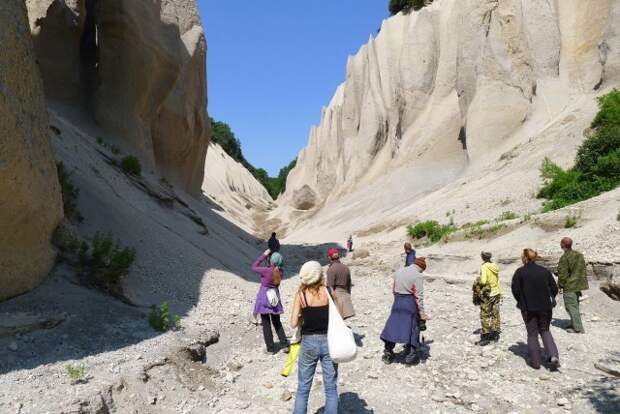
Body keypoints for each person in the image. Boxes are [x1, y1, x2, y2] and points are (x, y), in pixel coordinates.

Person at [290, 261, 338, 414]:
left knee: (303, 387)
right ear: (319, 275)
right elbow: (338, 316)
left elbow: (292, 323)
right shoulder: (329, 291)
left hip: (309, 342)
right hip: (329, 341)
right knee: (331, 387)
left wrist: (301, 317)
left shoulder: (301, 295)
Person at [511, 248, 560, 370]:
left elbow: (515, 290)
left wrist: (521, 300)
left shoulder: (520, 272)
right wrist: (549, 298)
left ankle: (536, 362)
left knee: (532, 334)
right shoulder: (544, 271)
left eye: (522, 256)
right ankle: (553, 356)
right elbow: (554, 288)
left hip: (528, 307)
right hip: (545, 307)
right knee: (545, 330)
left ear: (525, 258)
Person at [380, 257, 427, 365]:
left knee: (393, 326)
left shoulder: (399, 271)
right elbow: (418, 296)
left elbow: (393, 289)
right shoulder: (418, 275)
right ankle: (410, 355)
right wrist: (422, 313)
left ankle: (388, 353)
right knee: (412, 328)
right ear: (421, 267)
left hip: (397, 301)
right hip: (409, 302)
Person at [251, 249, 289, 354]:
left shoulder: (266, 270)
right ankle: (285, 344)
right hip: (274, 298)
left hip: (264, 297)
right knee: (277, 322)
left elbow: (254, 266)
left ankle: (271, 349)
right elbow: (276, 268)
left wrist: (264, 255)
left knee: (266, 324)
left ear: (271, 261)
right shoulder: (281, 272)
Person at [558, 237, 588, 333]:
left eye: (561, 243)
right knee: (575, 306)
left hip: (569, 285)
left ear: (563, 245)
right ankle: (574, 323)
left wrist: (560, 285)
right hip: (578, 286)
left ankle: (578, 329)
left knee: (570, 306)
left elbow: (562, 274)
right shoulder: (579, 255)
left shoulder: (564, 257)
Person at [475, 251, 503, 346]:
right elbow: (498, 279)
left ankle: (486, 337)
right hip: (497, 292)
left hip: (488, 294)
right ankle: (495, 334)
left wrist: (477, 281)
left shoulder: (484, 266)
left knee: (485, 315)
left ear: (483, 257)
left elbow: (483, 281)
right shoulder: (494, 265)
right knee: (495, 313)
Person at [326, 247, 355, 319]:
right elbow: (349, 284)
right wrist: (348, 295)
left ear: (329, 258)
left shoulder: (331, 269)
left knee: (337, 320)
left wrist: (333, 301)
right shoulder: (345, 267)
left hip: (337, 296)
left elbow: (330, 287)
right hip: (346, 295)